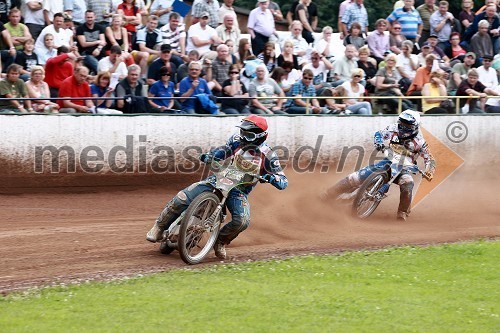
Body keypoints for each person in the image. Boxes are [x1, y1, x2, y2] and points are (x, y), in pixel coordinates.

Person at [146, 115, 288, 260]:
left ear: (261, 137)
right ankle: (159, 227)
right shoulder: (236, 140)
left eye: (249, 135)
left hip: (239, 191)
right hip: (219, 179)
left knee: (242, 221)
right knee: (182, 197)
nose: (244, 137)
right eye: (243, 133)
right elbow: (223, 151)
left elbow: (283, 181)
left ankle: (220, 241)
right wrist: (211, 156)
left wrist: (272, 178)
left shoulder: (269, 155)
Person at [323, 110, 436, 221]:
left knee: (408, 182)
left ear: (414, 126)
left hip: (404, 169)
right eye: (401, 123)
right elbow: (379, 134)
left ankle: (403, 212)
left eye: (407, 125)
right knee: (356, 177)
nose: (403, 127)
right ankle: (329, 194)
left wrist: (429, 170)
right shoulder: (393, 128)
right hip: (387, 162)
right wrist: (379, 142)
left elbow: (430, 159)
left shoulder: (420, 142)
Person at [76, 10, 107, 75]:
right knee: (99, 67)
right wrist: (97, 42)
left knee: (105, 66)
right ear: (85, 17)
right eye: (88, 17)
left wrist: (98, 49)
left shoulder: (100, 27)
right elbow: (83, 44)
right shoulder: (80, 28)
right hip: (87, 53)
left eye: (91, 17)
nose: (90, 19)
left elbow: (103, 41)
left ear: (94, 17)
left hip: (100, 53)